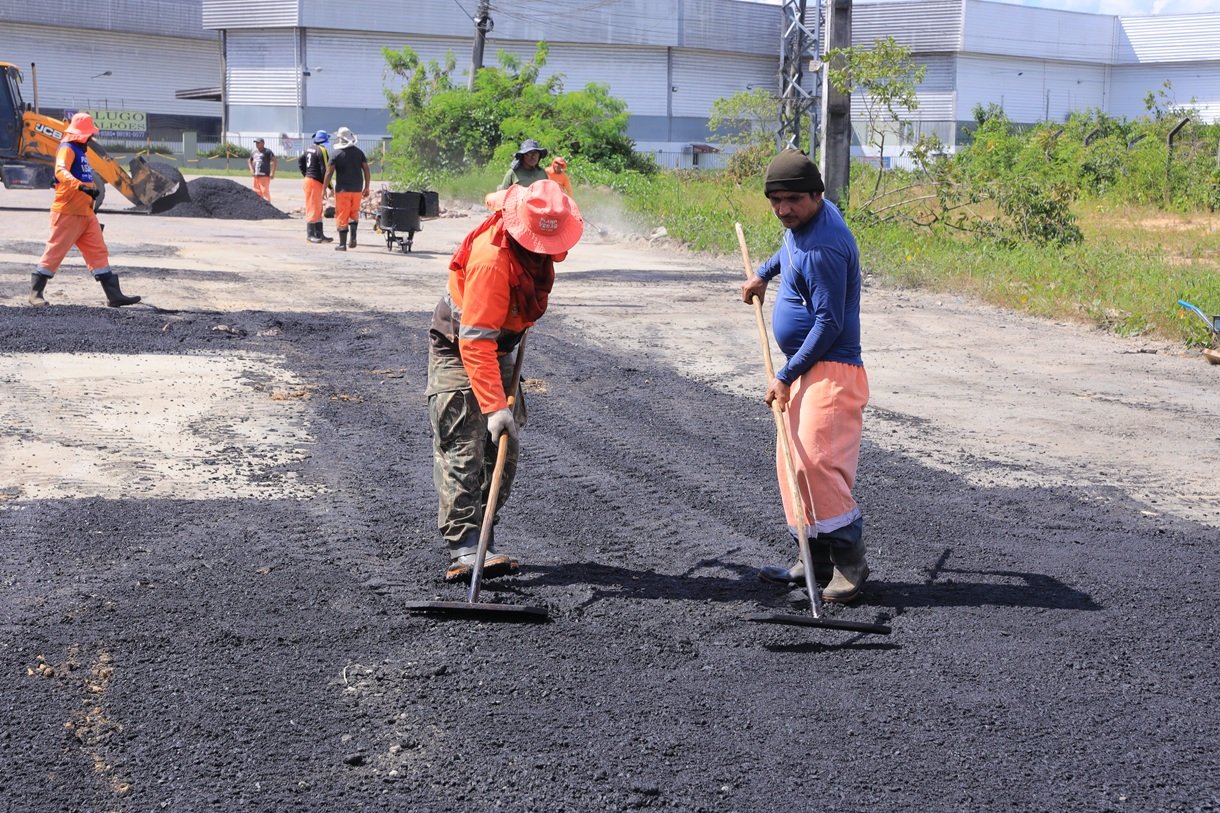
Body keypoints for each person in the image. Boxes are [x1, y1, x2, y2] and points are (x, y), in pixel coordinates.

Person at [427, 179, 583, 582]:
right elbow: (475, 342)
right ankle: (465, 545)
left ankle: (485, 535)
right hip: (462, 345)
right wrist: (494, 406)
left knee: (504, 450)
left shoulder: (529, 225)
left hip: (500, 343)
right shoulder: (492, 261)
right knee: (465, 445)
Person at [740, 148, 869, 603]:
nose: (783, 210)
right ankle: (812, 561)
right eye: (775, 201)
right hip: (808, 366)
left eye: (792, 200)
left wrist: (785, 374)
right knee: (791, 461)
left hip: (832, 368)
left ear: (816, 195)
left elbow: (829, 323)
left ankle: (850, 565)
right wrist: (763, 274)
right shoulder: (806, 225)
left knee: (816, 462)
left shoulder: (825, 246)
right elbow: (789, 250)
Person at [29, 112, 140, 308]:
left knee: (98, 251)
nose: (90, 137)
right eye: (89, 134)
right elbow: (60, 171)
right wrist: (80, 186)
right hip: (68, 212)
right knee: (55, 251)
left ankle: (114, 295)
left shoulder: (81, 151)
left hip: (86, 213)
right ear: (81, 135)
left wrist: (89, 191)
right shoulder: (67, 148)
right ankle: (35, 293)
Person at [321, 127, 370, 252]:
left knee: (342, 215)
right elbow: (366, 170)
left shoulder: (336, 154)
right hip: (357, 189)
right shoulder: (359, 153)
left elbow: (329, 173)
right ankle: (353, 238)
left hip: (343, 190)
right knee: (354, 213)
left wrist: (324, 189)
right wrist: (367, 187)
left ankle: (342, 244)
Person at [298, 130, 333, 243]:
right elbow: (325, 170)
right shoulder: (322, 150)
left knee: (318, 207)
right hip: (315, 182)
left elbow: (300, 161)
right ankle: (310, 234)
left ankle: (319, 234)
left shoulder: (308, 149)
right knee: (313, 207)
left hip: (310, 180)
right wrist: (329, 187)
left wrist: (306, 174)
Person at [248, 137, 277, 202]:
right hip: (256, 176)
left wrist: (272, 172)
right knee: (256, 192)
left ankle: (267, 205)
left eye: (258, 143)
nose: (257, 144)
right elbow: (249, 161)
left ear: (263, 143)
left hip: (264, 175)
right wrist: (251, 170)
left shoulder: (267, 151)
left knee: (264, 191)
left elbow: (274, 161)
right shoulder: (254, 152)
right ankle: (258, 205)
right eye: (256, 143)